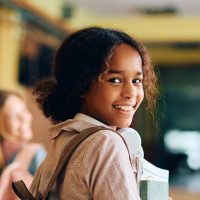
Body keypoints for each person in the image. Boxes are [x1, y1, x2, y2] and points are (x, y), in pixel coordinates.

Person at [30, 26, 159, 199]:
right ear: (81, 84)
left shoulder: (65, 138)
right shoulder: (106, 143)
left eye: (137, 80)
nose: (131, 93)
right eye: (115, 80)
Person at [0, 90, 46, 200]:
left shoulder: (36, 153)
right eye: (14, 115)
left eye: (24, 110)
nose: (25, 118)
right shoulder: (36, 154)